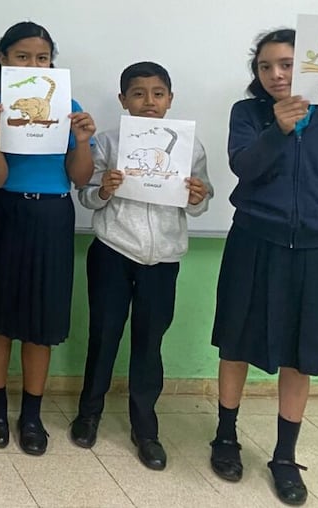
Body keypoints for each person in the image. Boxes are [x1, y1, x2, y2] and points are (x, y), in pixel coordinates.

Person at [210, 29, 318, 506]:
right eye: (265, 66)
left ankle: (285, 457)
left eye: (287, 64)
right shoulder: (247, 114)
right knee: (236, 341)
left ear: (307, 66)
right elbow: (244, 166)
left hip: (312, 250)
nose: (276, 75)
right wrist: (278, 129)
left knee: (300, 355)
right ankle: (225, 436)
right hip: (253, 242)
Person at [0, 20, 95, 457]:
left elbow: (79, 178)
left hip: (52, 214)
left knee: (42, 324)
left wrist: (83, 142)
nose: (33, 64)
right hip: (4, 212)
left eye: (42, 58)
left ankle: (32, 413)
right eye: (22, 56)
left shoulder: (69, 106)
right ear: (3, 60)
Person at [69, 61, 212, 470]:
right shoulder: (108, 143)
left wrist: (197, 195)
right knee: (104, 335)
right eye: (138, 94)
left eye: (157, 94)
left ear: (170, 99)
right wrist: (104, 190)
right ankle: (88, 414)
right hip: (114, 251)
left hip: (163, 258)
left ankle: (145, 427)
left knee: (149, 343)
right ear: (123, 100)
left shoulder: (190, 146)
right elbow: (87, 196)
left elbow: (202, 202)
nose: (149, 102)